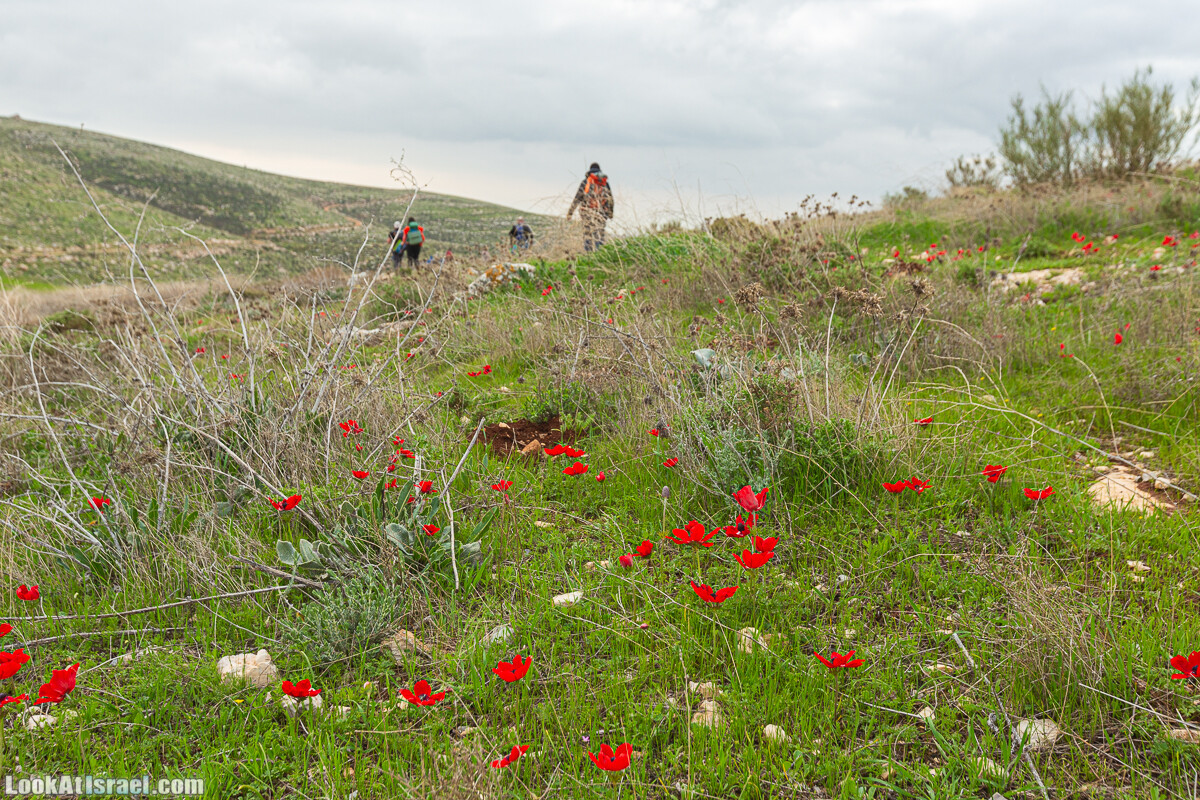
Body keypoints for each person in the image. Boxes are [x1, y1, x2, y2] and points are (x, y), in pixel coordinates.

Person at [567, 162, 614, 252]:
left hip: (587, 213)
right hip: (601, 213)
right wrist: (610, 213)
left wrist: (570, 213)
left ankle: (588, 253)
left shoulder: (585, 182)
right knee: (599, 234)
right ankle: (599, 253)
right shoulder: (604, 183)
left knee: (588, 234)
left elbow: (577, 198)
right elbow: (610, 199)